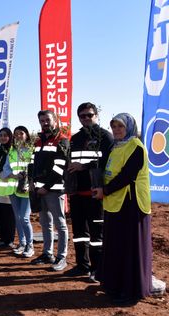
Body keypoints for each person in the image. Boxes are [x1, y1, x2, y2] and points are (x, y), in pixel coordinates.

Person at [92, 113, 153, 305]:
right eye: (114, 127)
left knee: (129, 247)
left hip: (131, 205)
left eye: (120, 126)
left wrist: (106, 190)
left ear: (129, 128)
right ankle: (114, 285)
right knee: (115, 245)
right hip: (115, 202)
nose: (117, 130)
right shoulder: (116, 147)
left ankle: (130, 291)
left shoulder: (136, 147)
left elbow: (127, 176)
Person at [66, 102, 114, 280]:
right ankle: (82, 265)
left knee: (97, 235)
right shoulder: (75, 139)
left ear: (96, 115)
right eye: (82, 115)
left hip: (96, 195)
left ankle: (98, 269)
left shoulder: (105, 138)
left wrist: (83, 166)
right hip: (77, 194)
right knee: (79, 233)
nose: (86, 118)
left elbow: (109, 164)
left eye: (90, 115)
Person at [29, 110, 70, 271]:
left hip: (54, 190)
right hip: (39, 190)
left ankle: (61, 257)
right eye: (42, 120)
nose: (44, 123)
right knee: (45, 223)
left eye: (47, 120)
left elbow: (60, 168)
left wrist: (46, 187)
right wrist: (32, 182)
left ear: (55, 121)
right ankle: (47, 254)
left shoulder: (62, 140)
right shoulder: (38, 142)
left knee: (60, 224)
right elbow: (32, 164)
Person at [3, 126, 34, 257]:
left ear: (26, 135)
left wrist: (28, 181)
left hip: (26, 190)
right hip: (13, 188)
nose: (18, 136)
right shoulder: (11, 151)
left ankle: (30, 245)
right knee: (18, 217)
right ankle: (22, 243)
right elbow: (6, 168)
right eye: (16, 134)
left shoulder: (32, 150)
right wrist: (13, 176)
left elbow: (34, 168)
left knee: (24, 217)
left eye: (21, 133)